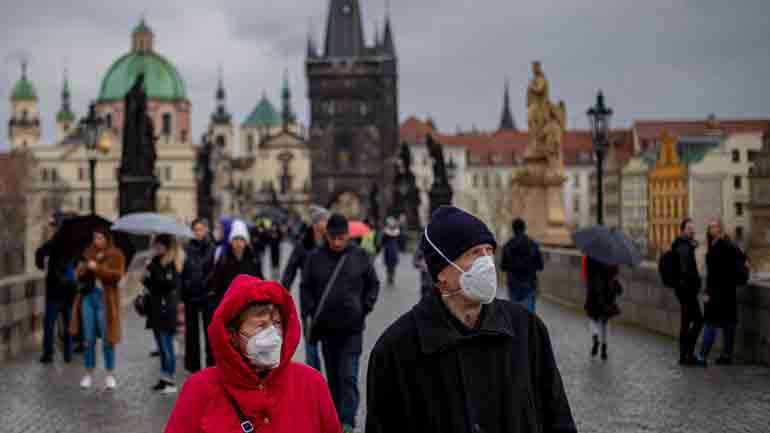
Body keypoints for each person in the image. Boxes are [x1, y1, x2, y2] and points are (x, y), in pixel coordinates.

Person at [366, 206, 576, 433]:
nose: (487, 263)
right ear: (441, 273)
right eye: (474, 253)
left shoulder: (527, 328)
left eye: (489, 251)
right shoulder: (395, 349)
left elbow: (557, 415)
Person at [164, 275, 340, 433]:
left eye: (277, 324)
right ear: (232, 335)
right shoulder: (200, 390)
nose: (273, 335)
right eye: (261, 326)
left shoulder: (311, 383)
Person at [301, 214, 380, 432]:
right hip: (326, 328)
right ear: (327, 235)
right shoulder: (314, 257)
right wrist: (308, 312)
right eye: (333, 237)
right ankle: (334, 417)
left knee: (349, 375)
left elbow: (373, 284)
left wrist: (364, 308)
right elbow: (305, 286)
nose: (337, 242)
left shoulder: (360, 256)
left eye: (341, 237)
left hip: (352, 328)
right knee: (334, 376)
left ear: (348, 235)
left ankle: (347, 421)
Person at [71, 227, 126, 390]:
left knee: (107, 337)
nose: (97, 241)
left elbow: (117, 276)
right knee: (88, 338)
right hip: (88, 297)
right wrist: (81, 269)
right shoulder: (87, 252)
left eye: (100, 238)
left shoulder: (117, 254)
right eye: (95, 238)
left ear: (107, 239)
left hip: (105, 299)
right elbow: (77, 276)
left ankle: (109, 374)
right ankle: (88, 372)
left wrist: (98, 269)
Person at [281, 205, 329, 371]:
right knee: (311, 343)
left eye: (326, 220)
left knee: (329, 345)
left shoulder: (332, 243)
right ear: (315, 224)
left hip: (330, 300)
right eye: (323, 220)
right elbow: (290, 269)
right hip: (309, 301)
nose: (325, 224)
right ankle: (314, 378)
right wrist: (282, 292)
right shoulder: (303, 245)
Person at [144, 234, 184, 394]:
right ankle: (163, 378)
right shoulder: (154, 262)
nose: (157, 248)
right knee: (161, 346)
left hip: (166, 310)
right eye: (156, 245)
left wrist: (152, 269)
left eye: (160, 245)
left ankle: (171, 380)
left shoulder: (171, 264)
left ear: (167, 247)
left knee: (167, 346)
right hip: (155, 309)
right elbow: (152, 284)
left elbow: (168, 285)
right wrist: (145, 276)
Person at [698, 219, 740, 366]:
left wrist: (707, 292)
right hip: (729, 292)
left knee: (710, 324)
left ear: (721, 228)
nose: (712, 229)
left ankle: (702, 357)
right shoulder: (729, 245)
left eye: (714, 226)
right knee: (728, 324)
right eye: (710, 227)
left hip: (717, 293)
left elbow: (714, 275)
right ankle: (727, 356)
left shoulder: (719, 247)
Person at [37, 235, 77, 364]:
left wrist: (41, 265)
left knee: (49, 324)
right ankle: (68, 354)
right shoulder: (75, 245)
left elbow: (39, 252)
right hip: (69, 290)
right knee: (68, 323)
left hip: (54, 290)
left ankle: (48, 354)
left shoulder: (53, 242)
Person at [183, 219, 216, 372]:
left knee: (210, 333)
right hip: (191, 295)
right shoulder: (187, 248)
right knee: (191, 335)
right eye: (195, 229)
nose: (198, 232)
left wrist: (207, 285)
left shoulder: (213, 248)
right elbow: (183, 271)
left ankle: (211, 367)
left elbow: (214, 271)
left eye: (201, 229)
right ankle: (193, 368)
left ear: (207, 230)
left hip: (208, 295)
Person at [673, 218, 705, 366]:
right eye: (689, 229)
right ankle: (687, 354)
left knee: (686, 322)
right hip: (687, 290)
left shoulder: (684, 245)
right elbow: (686, 271)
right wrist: (695, 284)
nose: (692, 231)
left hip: (683, 290)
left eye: (693, 228)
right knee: (697, 321)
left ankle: (684, 355)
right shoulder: (684, 247)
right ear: (683, 230)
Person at [500, 218, 544, 312]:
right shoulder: (533, 244)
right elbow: (540, 266)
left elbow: (503, 266)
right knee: (529, 314)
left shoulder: (508, 245)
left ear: (513, 229)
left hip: (514, 284)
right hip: (530, 283)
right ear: (524, 228)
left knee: (515, 312)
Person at [583, 256, 621, 360]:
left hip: (593, 291)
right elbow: (616, 273)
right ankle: (604, 347)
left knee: (592, 317)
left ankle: (595, 336)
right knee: (605, 321)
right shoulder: (612, 257)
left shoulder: (589, 257)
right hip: (608, 293)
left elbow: (585, 273)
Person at [381, 217, 401, 286]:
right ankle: (390, 276)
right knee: (391, 264)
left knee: (390, 264)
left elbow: (382, 241)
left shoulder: (386, 233)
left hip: (390, 250)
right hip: (392, 250)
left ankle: (390, 276)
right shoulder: (396, 232)